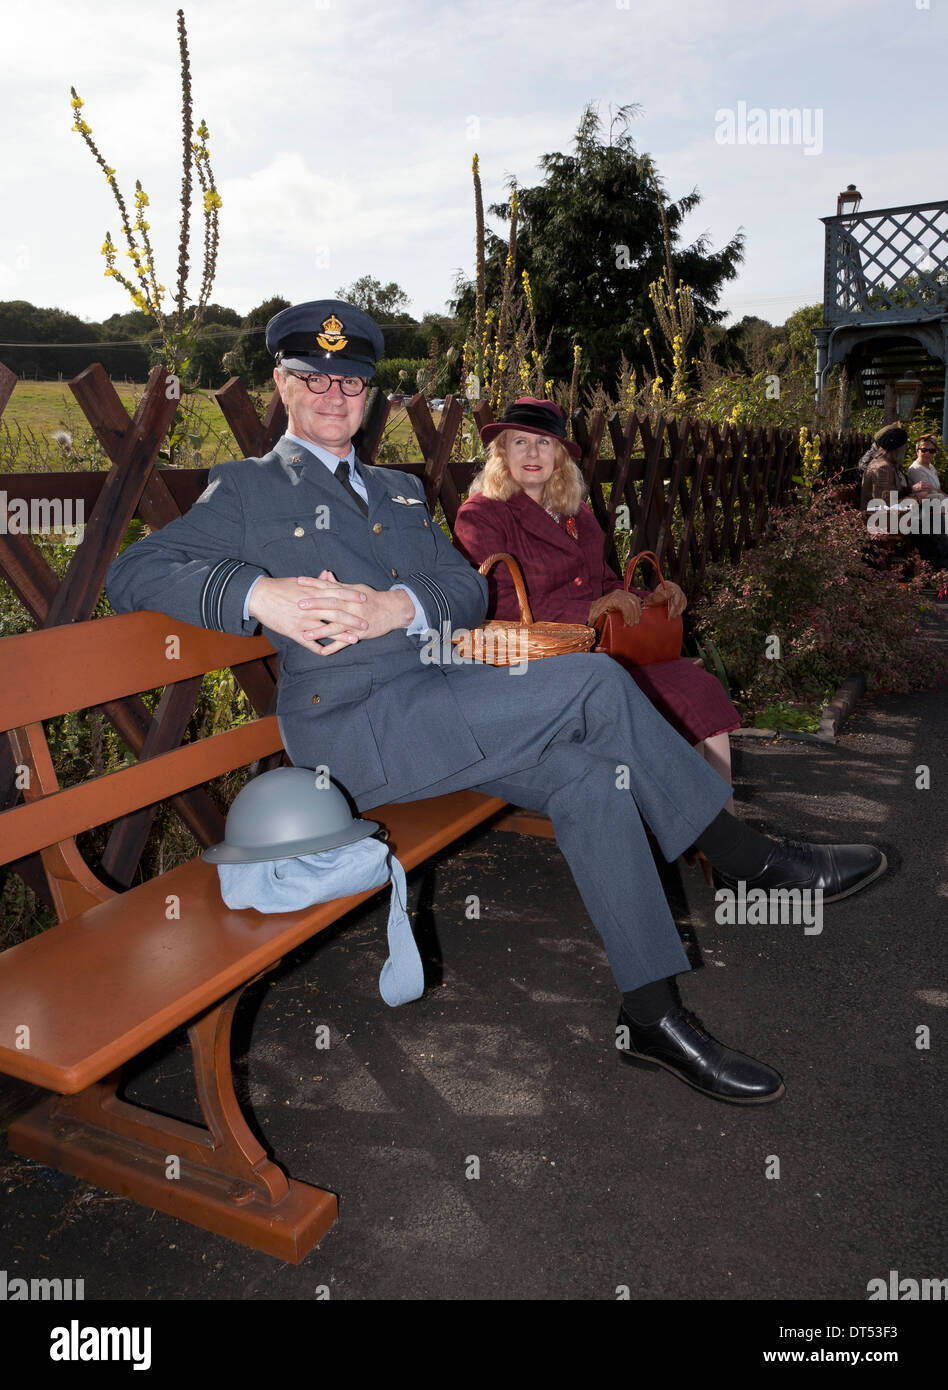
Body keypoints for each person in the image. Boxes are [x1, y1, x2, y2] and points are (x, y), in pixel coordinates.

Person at [106, 299, 887, 1109]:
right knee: (592, 679)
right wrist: (257, 592)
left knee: (593, 781)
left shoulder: (398, 491)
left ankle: (652, 1018)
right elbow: (129, 574)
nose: (333, 396)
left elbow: (462, 593)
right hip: (357, 735)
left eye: (351, 382)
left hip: (449, 702)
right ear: (281, 383)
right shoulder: (244, 489)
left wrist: (398, 606)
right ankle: (744, 858)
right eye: (313, 379)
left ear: (370, 395)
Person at [451, 397, 739, 805]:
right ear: (502, 452)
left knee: (697, 686)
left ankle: (721, 832)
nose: (533, 453)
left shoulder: (576, 513)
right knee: (666, 699)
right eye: (520, 442)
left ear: (560, 456)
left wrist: (649, 596)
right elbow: (491, 603)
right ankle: (705, 833)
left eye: (545, 443)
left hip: (599, 650)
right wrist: (588, 611)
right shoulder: (482, 514)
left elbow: (602, 582)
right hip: (535, 660)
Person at [862, 423, 948, 569]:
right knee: (931, 524)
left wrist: (912, 489)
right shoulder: (882, 468)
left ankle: (936, 568)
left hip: (896, 515)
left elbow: (894, 492)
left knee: (935, 520)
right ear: (896, 449)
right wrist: (916, 498)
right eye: (903, 448)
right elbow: (885, 502)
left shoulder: (890, 464)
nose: (905, 451)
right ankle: (939, 568)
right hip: (882, 520)